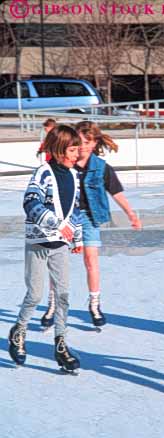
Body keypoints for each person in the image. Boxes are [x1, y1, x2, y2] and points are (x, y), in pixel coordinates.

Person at [40, 121, 142, 330]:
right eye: (79, 142)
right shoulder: (65, 163)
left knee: (91, 260)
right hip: (65, 217)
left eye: (87, 142)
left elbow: (117, 192)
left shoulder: (102, 168)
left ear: (95, 143)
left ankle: (94, 305)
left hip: (89, 217)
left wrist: (131, 213)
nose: (83, 147)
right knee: (57, 262)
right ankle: (52, 305)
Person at [8, 125, 83, 373]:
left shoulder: (74, 176)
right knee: (35, 295)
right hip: (39, 243)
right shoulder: (43, 173)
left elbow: (76, 209)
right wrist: (57, 224)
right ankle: (18, 331)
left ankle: (61, 343)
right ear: (60, 149)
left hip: (60, 245)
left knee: (63, 295)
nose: (78, 154)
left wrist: (77, 237)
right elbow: (30, 202)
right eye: (73, 150)